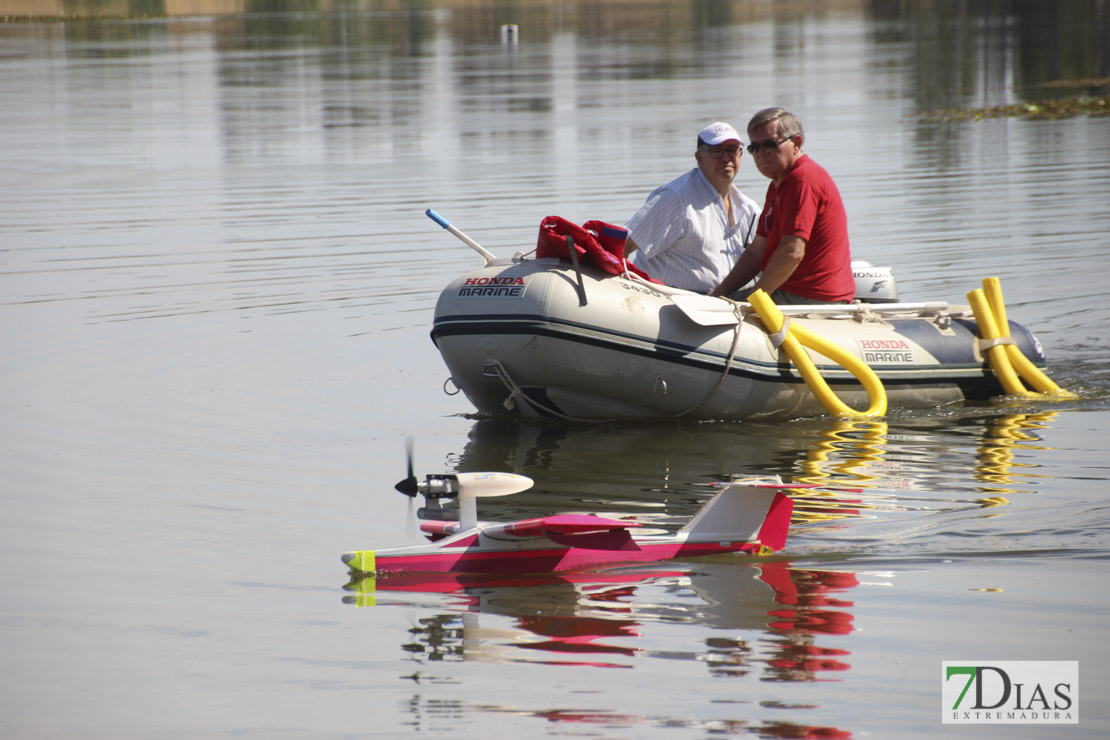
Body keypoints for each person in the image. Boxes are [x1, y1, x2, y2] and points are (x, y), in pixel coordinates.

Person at [709, 108, 854, 304]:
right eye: (755, 148)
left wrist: (755, 300)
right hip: (789, 291)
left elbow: (792, 252)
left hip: (813, 297)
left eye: (769, 145)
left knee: (721, 309)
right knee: (718, 302)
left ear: (796, 143)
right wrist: (718, 293)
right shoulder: (777, 184)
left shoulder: (803, 180)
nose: (761, 153)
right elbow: (756, 251)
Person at [624, 122, 760, 294]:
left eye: (732, 150)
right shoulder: (675, 198)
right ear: (699, 157)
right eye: (716, 150)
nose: (726, 158)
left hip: (723, 303)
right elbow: (624, 245)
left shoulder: (749, 208)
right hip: (668, 303)